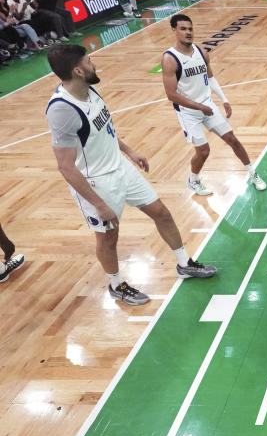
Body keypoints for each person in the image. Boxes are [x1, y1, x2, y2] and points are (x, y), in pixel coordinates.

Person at [45, 44, 217, 306]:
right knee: (108, 237)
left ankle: (184, 263)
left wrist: (129, 151)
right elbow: (66, 167)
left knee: (162, 212)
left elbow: (104, 127)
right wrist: (99, 205)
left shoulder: (89, 88)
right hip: (97, 183)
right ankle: (116, 285)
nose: (95, 64)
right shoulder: (61, 110)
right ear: (78, 70)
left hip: (121, 168)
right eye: (89, 62)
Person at [161, 14, 267, 196]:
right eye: (183, 29)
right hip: (188, 112)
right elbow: (171, 95)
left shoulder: (201, 52)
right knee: (203, 151)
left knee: (232, 139)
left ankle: (253, 173)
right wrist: (198, 107)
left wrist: (224, 99)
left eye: (190, 28)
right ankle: (193, 180)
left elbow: (209, 77)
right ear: (174, 30)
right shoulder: (170, 59)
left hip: (207, 105)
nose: (188, 32)